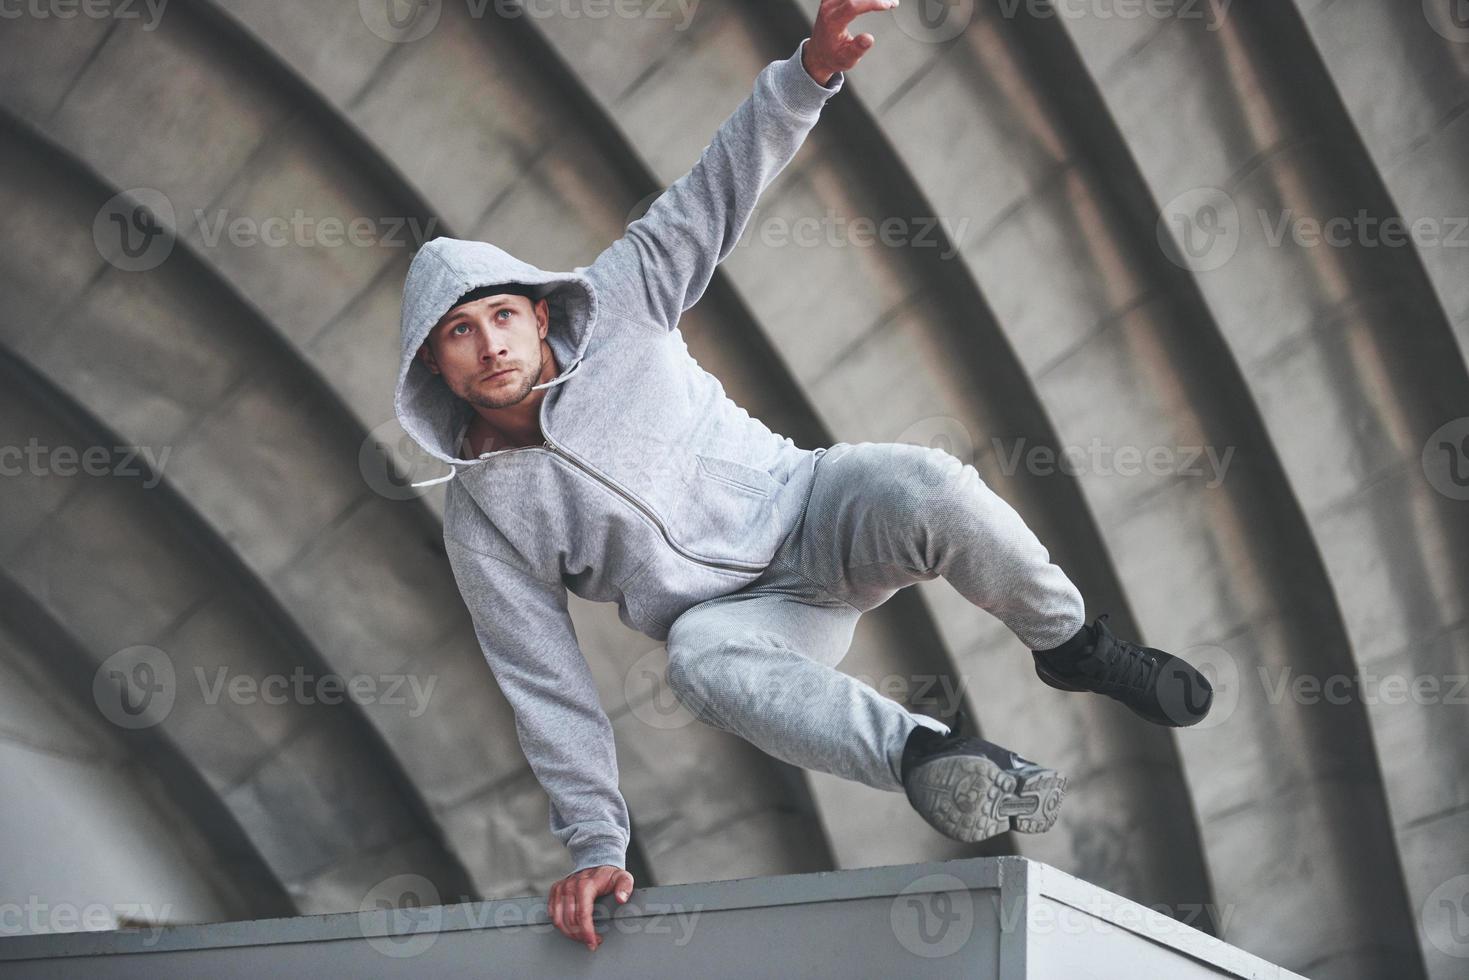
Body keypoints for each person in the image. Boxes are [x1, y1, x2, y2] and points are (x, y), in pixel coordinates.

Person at [393, 0, 1212, 954]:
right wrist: (594, 842)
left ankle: (1074, 644)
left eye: (499, 316)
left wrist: (808, 73)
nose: (488, 344)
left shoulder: (620, 302)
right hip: (739, 619)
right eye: (460, 333)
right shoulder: (483, 516)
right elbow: (542, 678)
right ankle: (931, 758)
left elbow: (714, 190)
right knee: (699, 665)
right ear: (434, 365)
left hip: (812, 507)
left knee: (922, 484)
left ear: (537, 316)